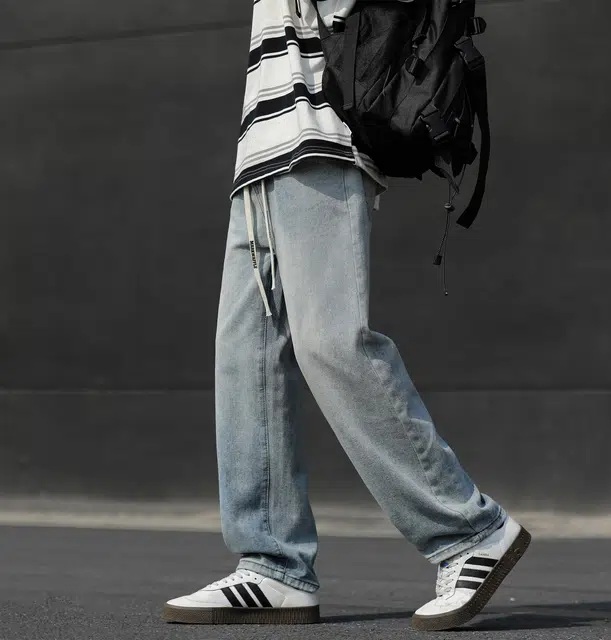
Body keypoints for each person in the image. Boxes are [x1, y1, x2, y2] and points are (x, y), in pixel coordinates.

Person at [163, 0, 530, 631]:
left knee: (331, 343)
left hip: (319, 142)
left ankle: (469, 531)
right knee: (246, 361)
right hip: (260, 157)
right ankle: (272, 564)